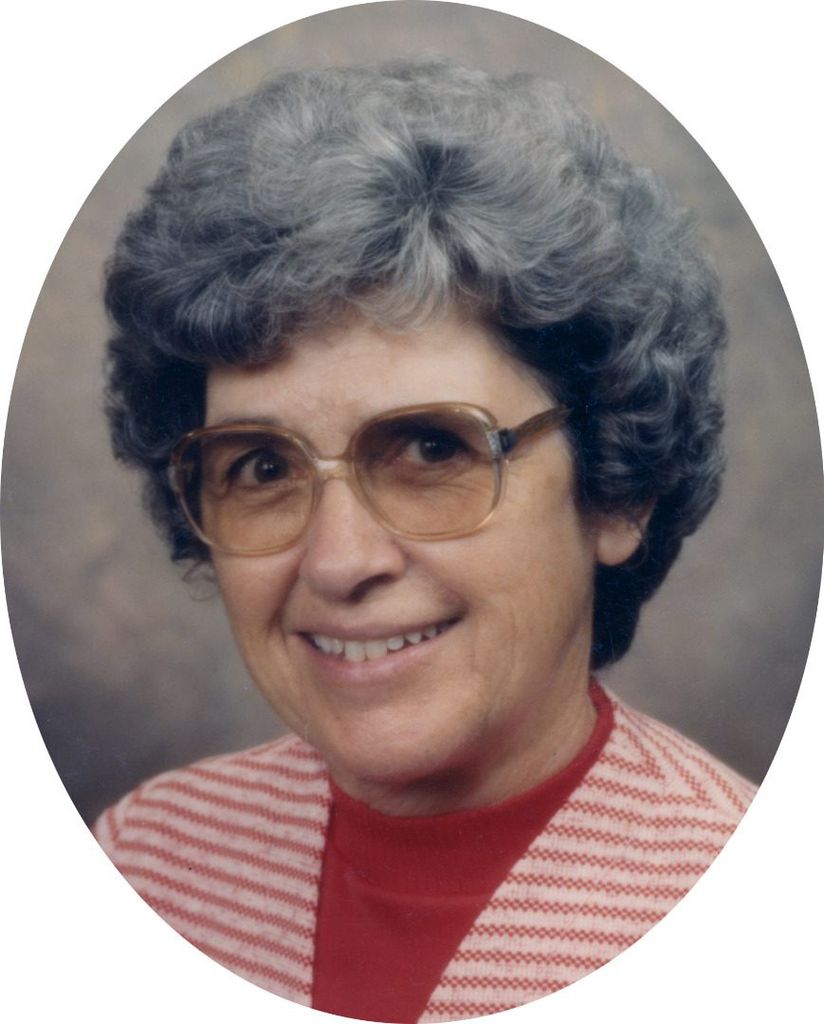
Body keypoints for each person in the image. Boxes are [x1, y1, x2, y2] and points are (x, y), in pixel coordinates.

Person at [94, 59, 754, 1021]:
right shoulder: (144, 860)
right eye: (263, 466)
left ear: (619, 491)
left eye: (432, 448)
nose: (338, 561)